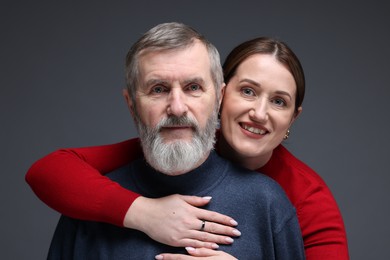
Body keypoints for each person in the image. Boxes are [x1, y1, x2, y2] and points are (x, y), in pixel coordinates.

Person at [26, 29, 349, 259]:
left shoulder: (294, 200)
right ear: (224, 96)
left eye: (279, 101)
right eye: (248, 91)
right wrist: (143, 213)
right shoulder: (108, 183)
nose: (259, 113)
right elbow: (49, 170)